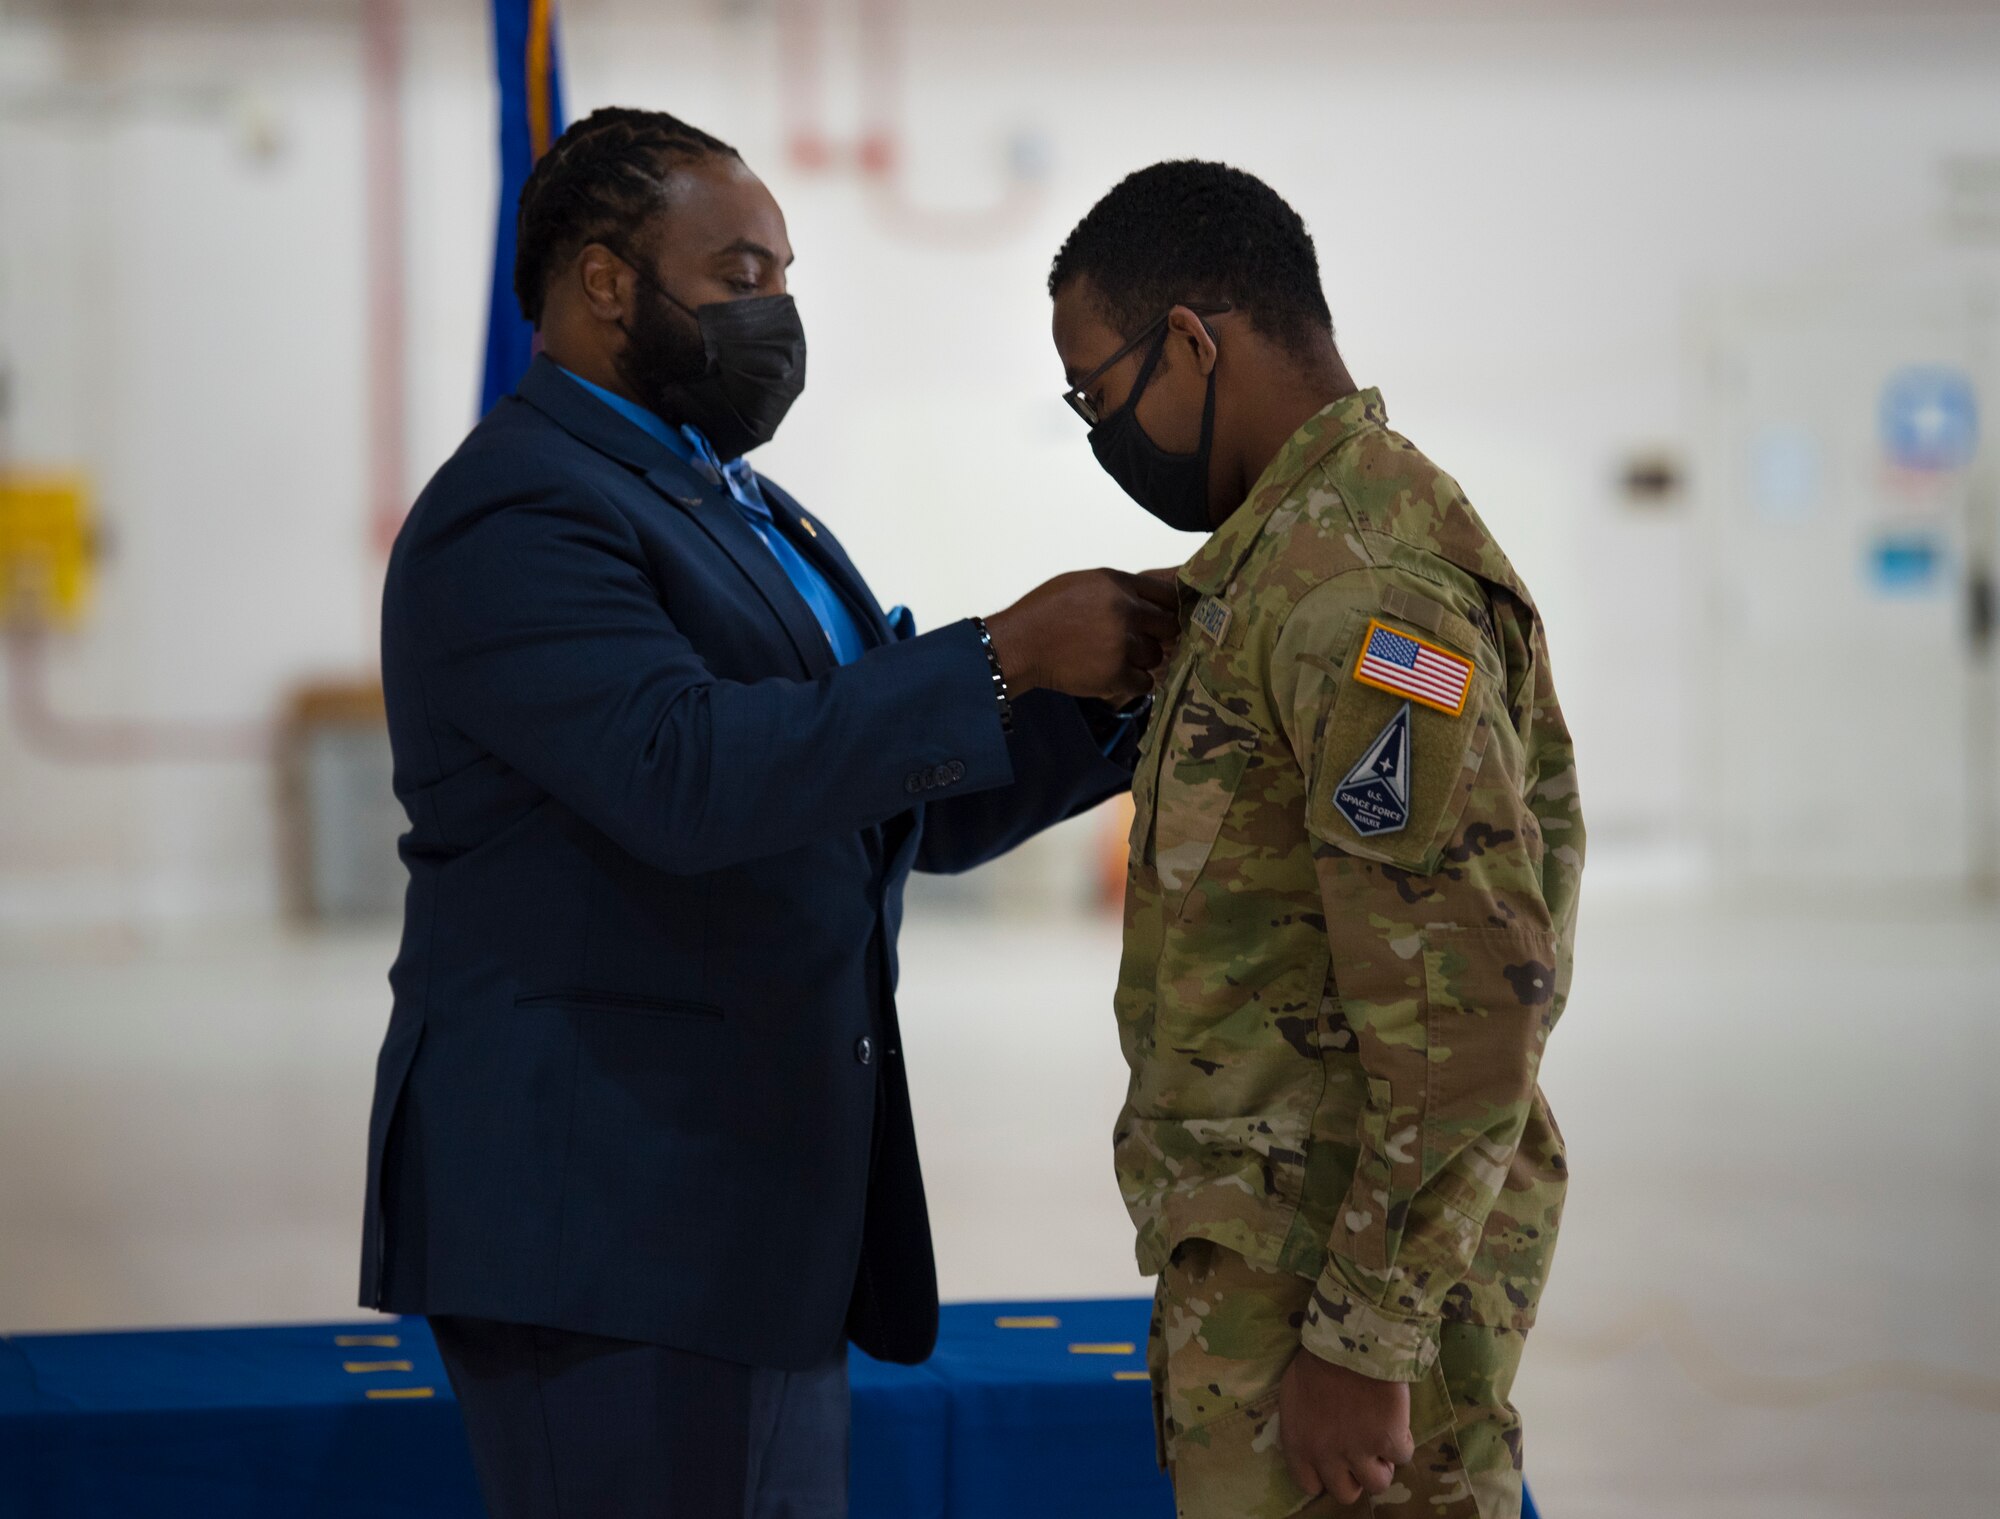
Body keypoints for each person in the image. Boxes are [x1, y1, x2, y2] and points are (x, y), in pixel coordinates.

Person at [359, 107, 1177, 1519]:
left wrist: (1134, 693)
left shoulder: (744, 509)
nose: (777, 315)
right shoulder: (520, 513)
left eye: (785, 279)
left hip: (745, 1217)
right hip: (608, 1217)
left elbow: (885, 794)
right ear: (607, 282)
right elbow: (687, 775)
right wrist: (1004, 653)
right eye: (741, 277)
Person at [1048, 160, 1584, 1519]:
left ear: (1190, 341)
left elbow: (1467, 1005)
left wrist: (1367, 1338)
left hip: (1331, 1304)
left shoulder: (1358, 597)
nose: (1100, 434)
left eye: (1096, 397)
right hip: (1278, 1266)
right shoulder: (1285, 558)